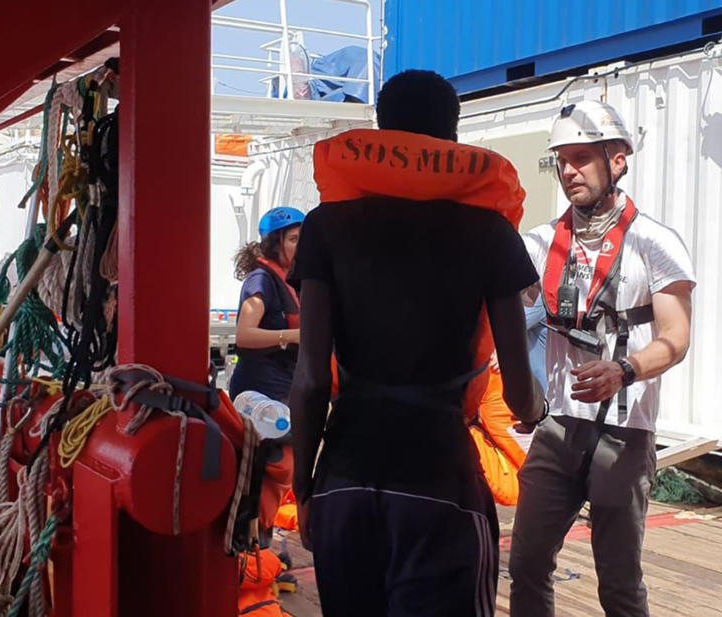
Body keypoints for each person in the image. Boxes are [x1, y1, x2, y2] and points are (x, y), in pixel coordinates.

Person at [287, 69, 545, 617]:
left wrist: (305, 491)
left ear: (384, 130)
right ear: (451, 136)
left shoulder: (325, 226)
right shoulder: (489, 230)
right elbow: (520, 395)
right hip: (439, 481)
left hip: (344, 479)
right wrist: (537, 407)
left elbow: (309, 381)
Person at [509, 101, 695, 617]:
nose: (569, 170)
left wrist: (625, 370)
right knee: (525, 563)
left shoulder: (655, 244)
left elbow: (676, 337)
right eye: (562, 160)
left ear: (618, 160)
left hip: (625, 431)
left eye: (582, 157)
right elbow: (498, 311)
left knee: (617, 579)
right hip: (558, 427)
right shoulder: (540, 243)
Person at [228, 207, 303, 402]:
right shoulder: (261, 280)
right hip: (261, 393)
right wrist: (294, 336)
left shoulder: (293, 281)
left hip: (284, 387)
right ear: (275, 246)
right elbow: (244, 335)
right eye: (294, 240)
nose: (301, 246)